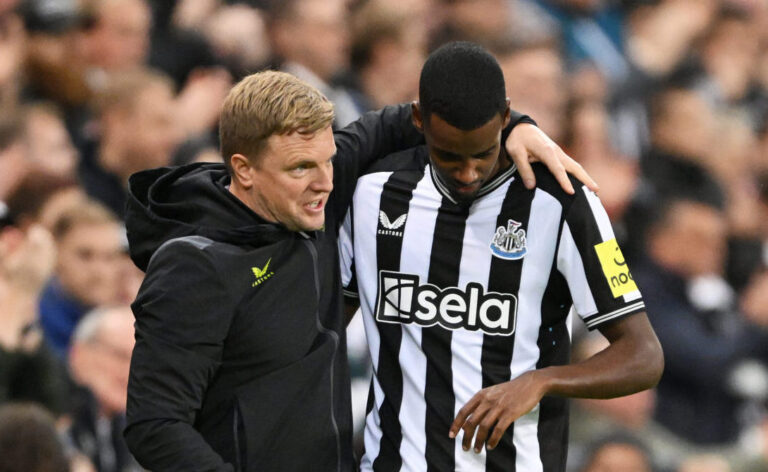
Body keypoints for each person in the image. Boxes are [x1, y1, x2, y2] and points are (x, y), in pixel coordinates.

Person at [123, 69, 595, 471]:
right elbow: (155, 424)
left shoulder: (312, 195)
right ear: (244, 169)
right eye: (301, 168)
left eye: (329, 161)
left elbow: (403, 120)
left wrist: (516, 127)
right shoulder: (194, 266)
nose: (325, 183)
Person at [339, 41, 662, 471]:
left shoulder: (562, 201)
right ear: (418, 120)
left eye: (484, 153)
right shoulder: (372, 194)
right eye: (449, 156)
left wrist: (541, 381)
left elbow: (643, 355)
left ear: (507, 119)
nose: (468, 173)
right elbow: (324, 334)